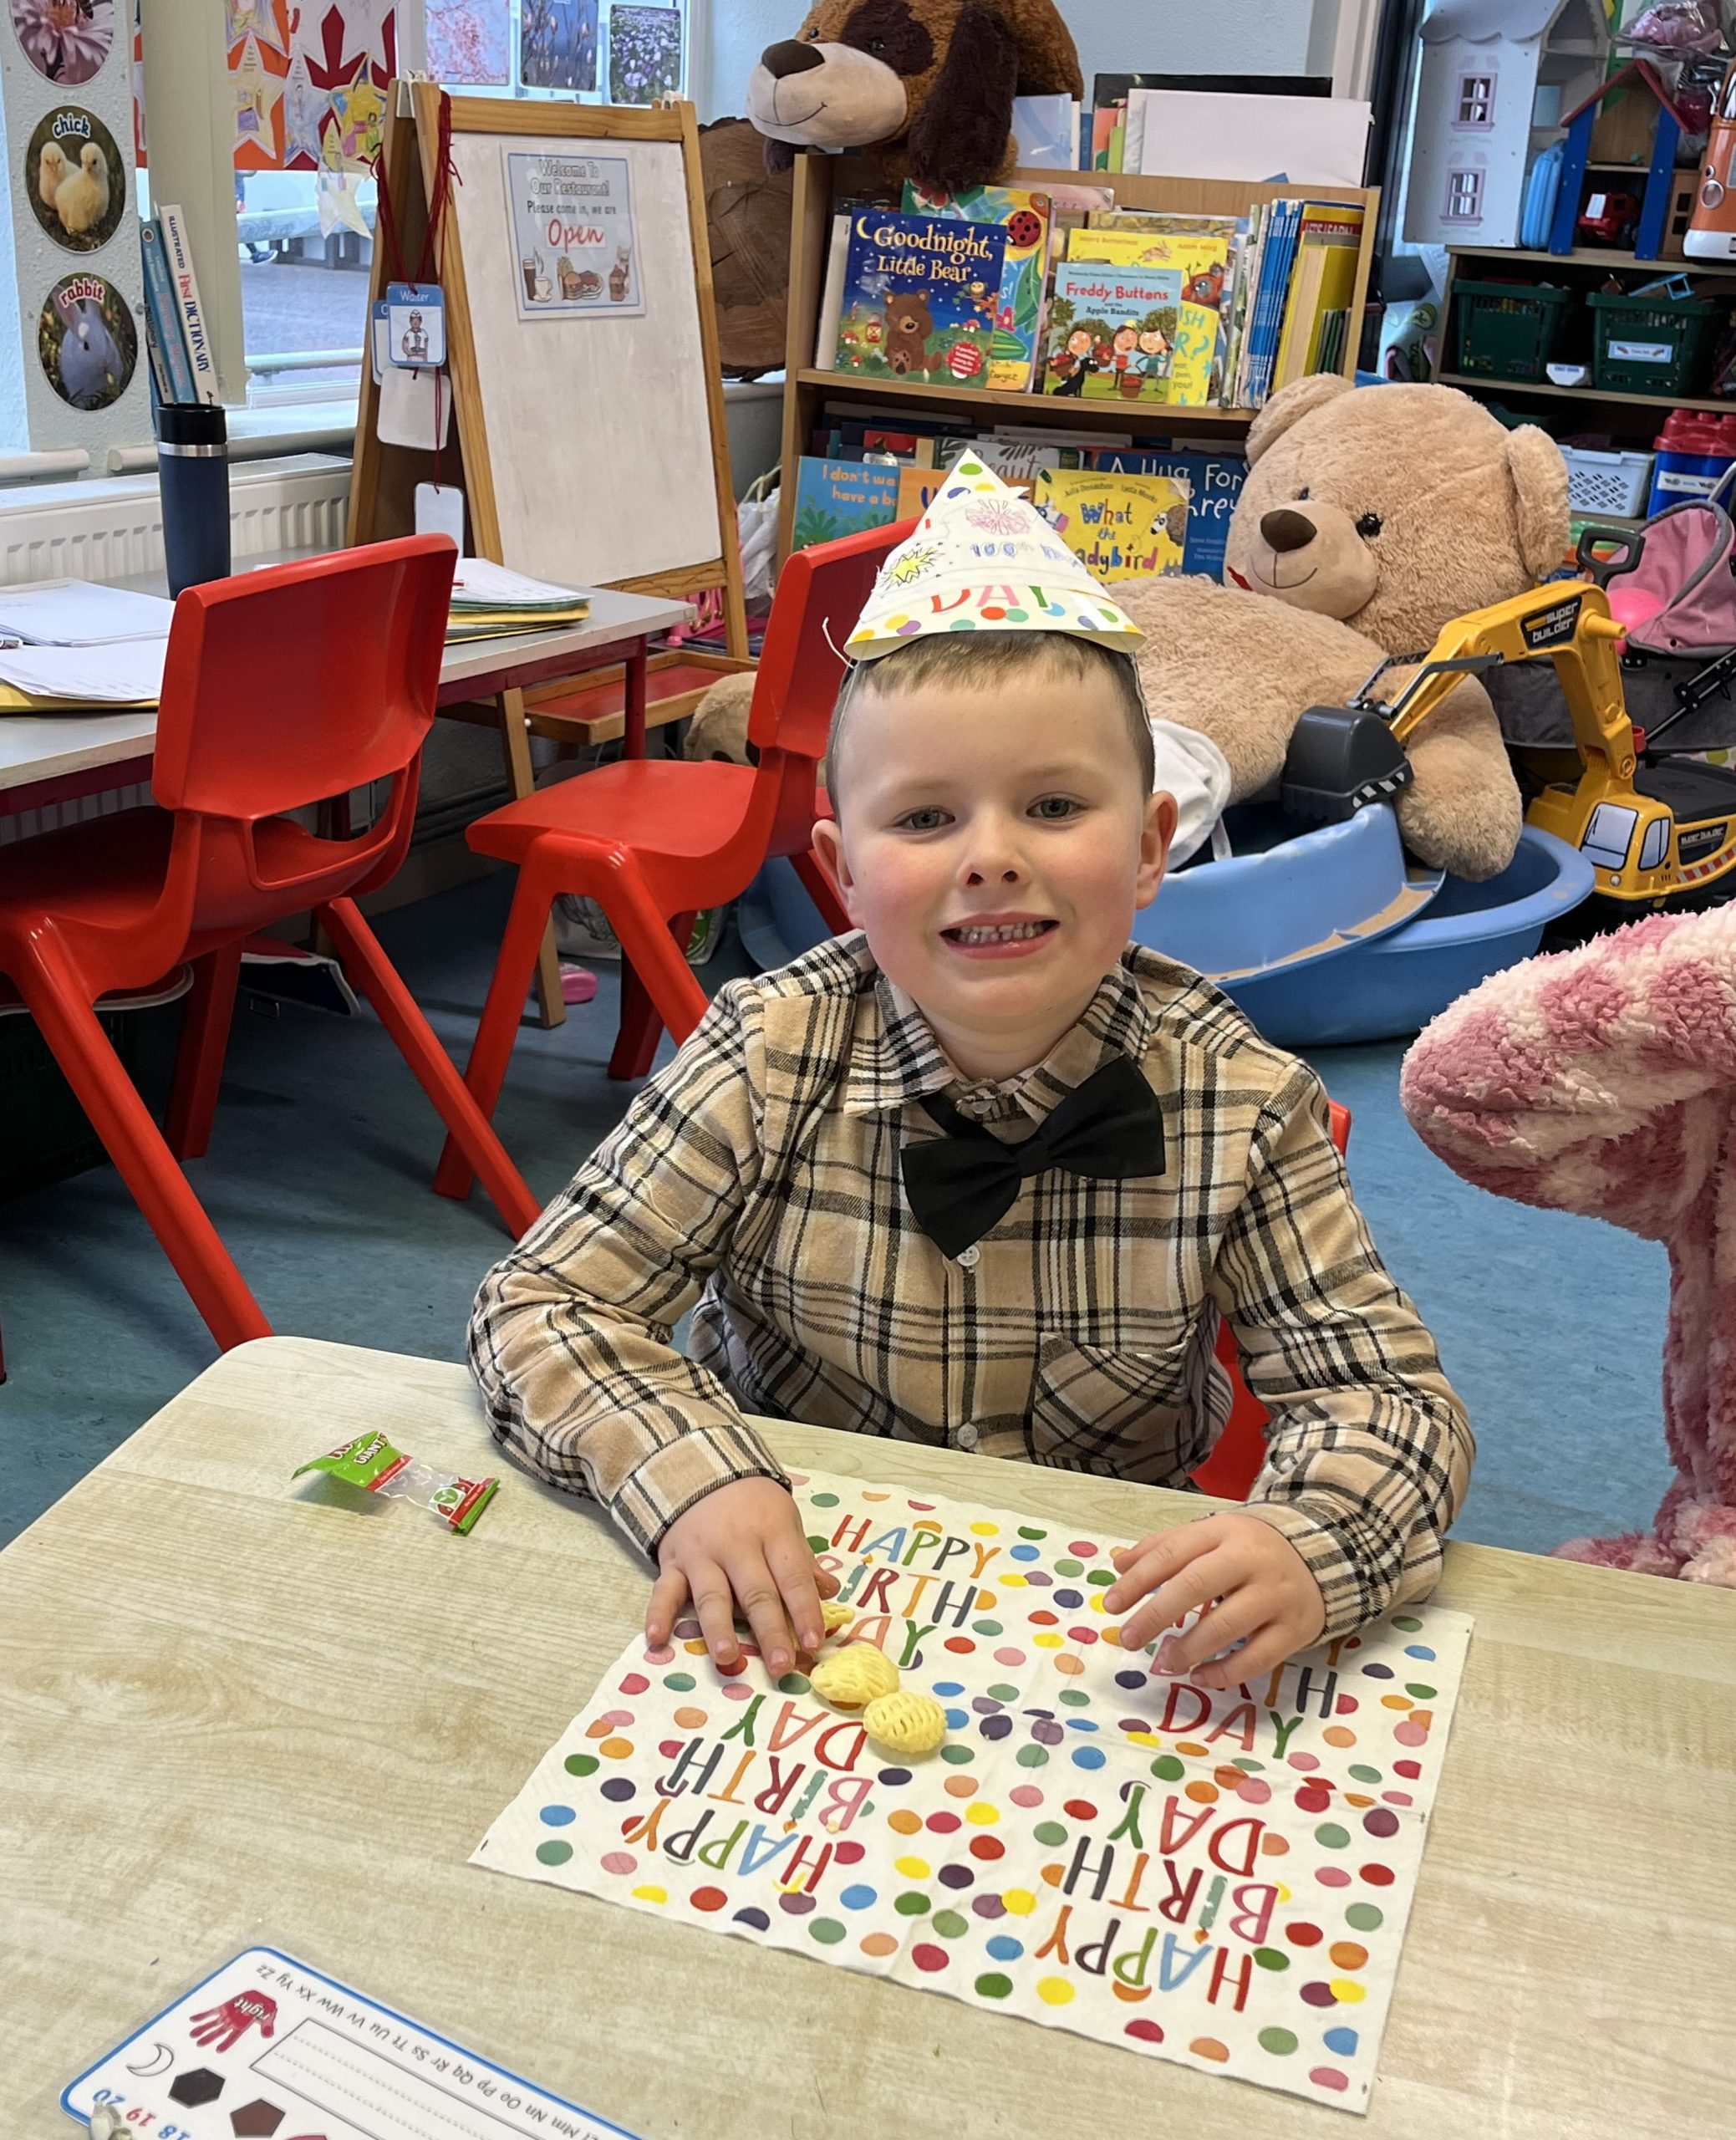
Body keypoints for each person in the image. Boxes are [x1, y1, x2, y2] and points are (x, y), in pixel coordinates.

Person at [469, 456, 1472, 1694]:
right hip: (799, 1596)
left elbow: (1387, 1399)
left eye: (1052, 806)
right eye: (924, 819)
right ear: (842, 871)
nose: (989, 857)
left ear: (1150, 847)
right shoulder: (761, 1053)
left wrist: (1314, 1543)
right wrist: (690, 1478)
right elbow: (543, 1305)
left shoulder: (1241, 1098)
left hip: (1100, 1635)